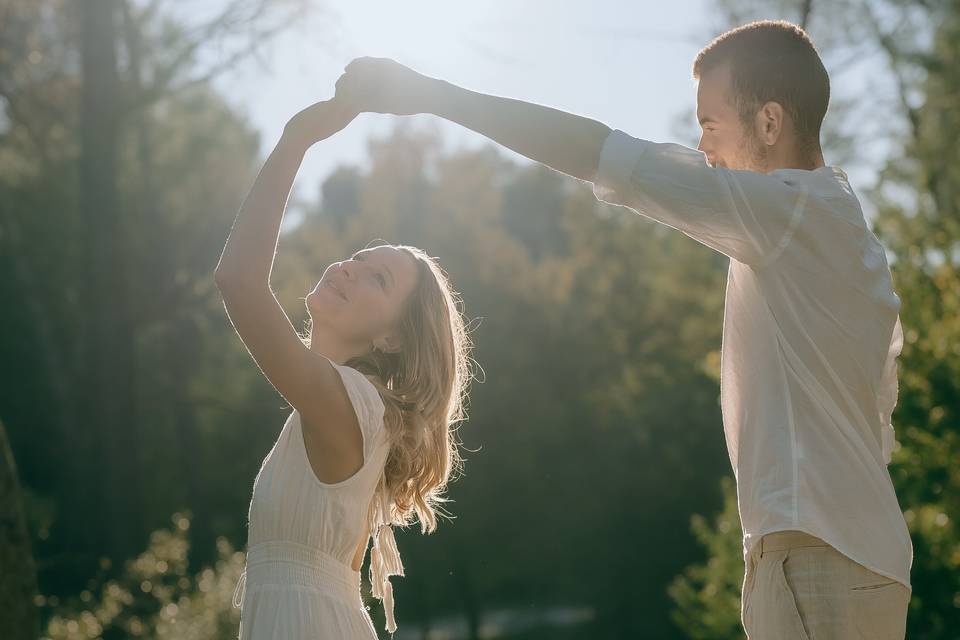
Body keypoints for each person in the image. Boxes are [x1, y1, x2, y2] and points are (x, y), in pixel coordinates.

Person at [335, 19, 912, 639]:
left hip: (814, 550)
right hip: (851, 550)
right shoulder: (845, 229)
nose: (704, 148)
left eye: (710, 125)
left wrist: (432, 96)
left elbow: (607, 156)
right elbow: (878, 409)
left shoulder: (789, 211)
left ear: (769, 124)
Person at [214, 96, 472, 638]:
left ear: (393, 337)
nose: (351, 270)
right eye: (359, 259)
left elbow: (238, 280)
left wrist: (295, 140)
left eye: (377, 278)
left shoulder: (355, 404)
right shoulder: (338, 403)